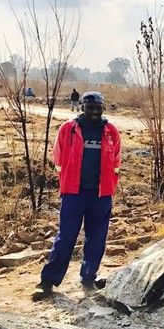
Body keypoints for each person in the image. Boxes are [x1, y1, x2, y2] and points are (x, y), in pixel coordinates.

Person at [32, 91, 121, 300]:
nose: (94, 111)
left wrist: (110, 186)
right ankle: (47, 282)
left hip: (101, 195)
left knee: (97, 239)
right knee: (66, 238)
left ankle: (89, 278)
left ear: (103, 108)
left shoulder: (111, 131)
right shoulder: (68, 129)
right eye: (90, 106)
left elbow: (116, 161)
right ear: (82, 107)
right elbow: (58, 158)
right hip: (74, 194)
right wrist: (66, 181)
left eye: (98, 107)